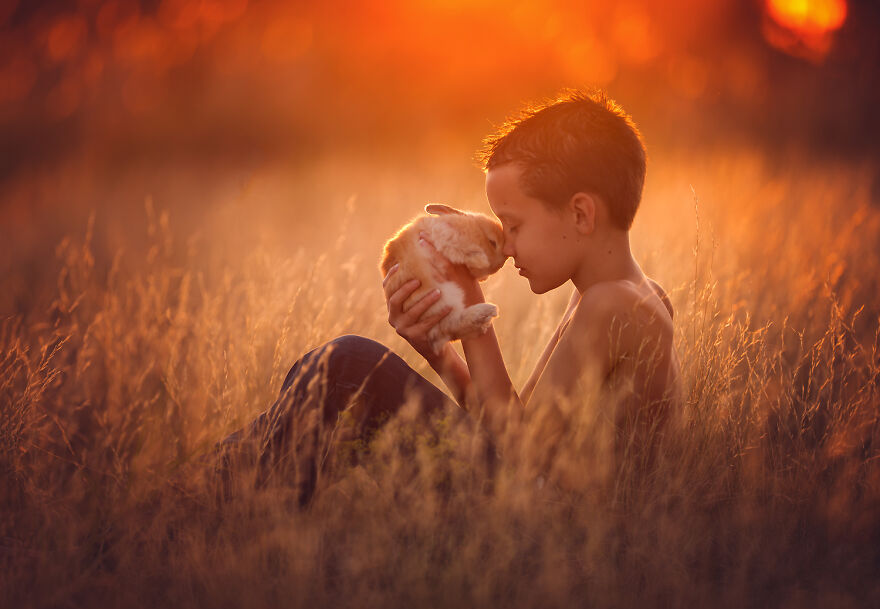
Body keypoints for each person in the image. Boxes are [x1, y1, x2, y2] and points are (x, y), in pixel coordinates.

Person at [217, 89, 681, 503]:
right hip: (539, 499)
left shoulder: (613, 305)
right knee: (320, 377)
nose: (509, 245)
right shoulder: (618, 296)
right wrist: (438, 349)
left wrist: (473, 320)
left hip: (553, 528)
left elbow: (521, 455)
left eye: (514, 226)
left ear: (581, 213)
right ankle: (224, 487)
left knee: (347, 365)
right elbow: (513, 427)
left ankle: (213, 492)